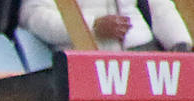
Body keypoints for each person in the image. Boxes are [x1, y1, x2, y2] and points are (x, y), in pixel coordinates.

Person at [18, 0, 191, 51]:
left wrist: (179, 42)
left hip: (146, 53)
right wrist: (93, 27)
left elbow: (160, 7)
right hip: (90, 63)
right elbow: (34, 16)